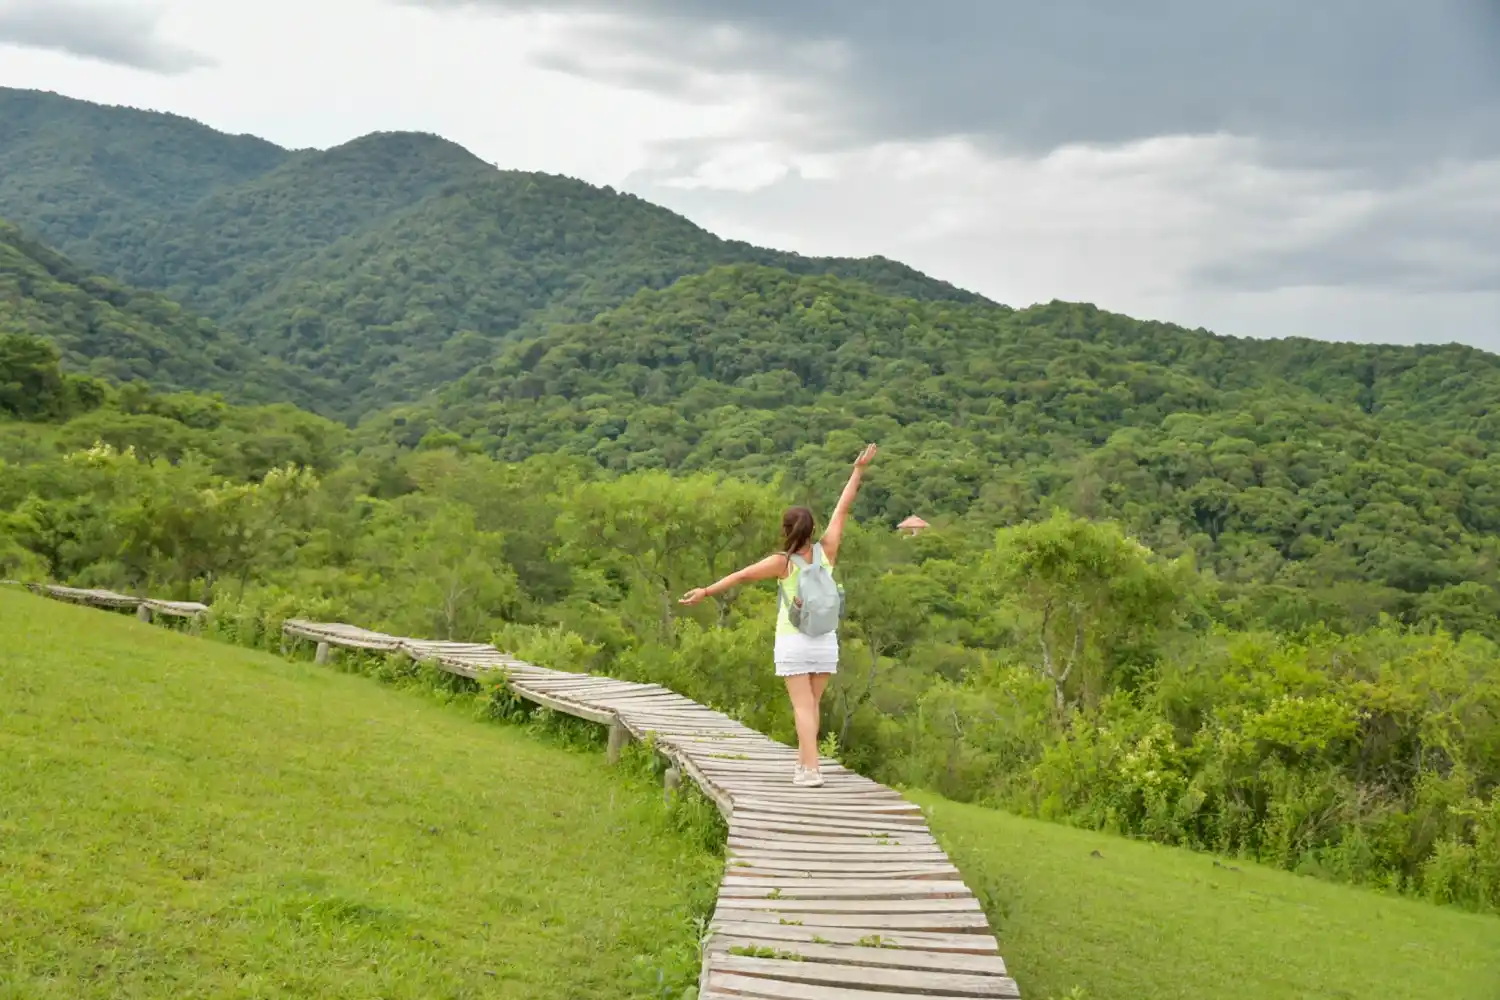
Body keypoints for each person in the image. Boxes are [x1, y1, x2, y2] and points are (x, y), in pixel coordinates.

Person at [680, 444, 878, 787]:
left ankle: (813, 770)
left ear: (786, 530)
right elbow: (843, 508)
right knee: (812, 705)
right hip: (825, 640)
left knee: (802, 708)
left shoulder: (781, 562)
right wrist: (857, 471)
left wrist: (706, 591)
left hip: (794, 640)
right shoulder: (827, 550)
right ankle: (804, 764)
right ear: (813, 529)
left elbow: (740, 575)